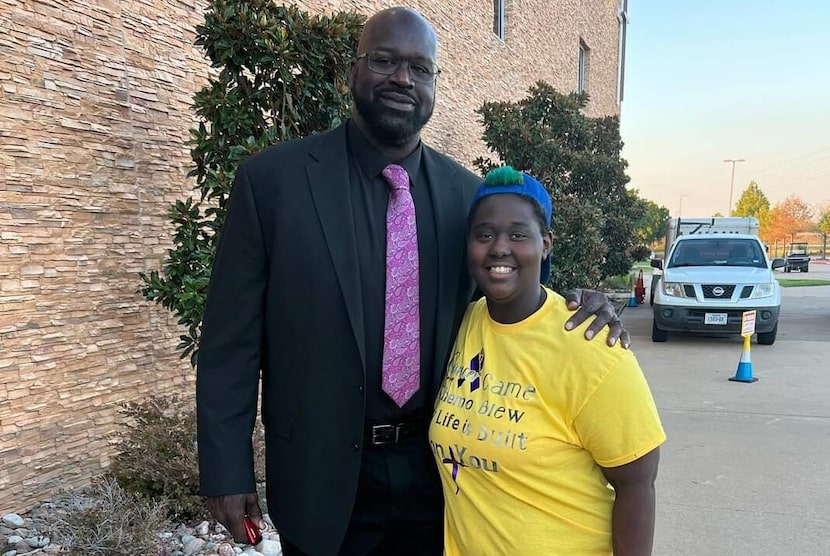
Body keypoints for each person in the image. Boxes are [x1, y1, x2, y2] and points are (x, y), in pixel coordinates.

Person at [196, 7, 629, 556]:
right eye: (385, 61)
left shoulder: (464, 198)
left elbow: (507, 294)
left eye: (420, 68)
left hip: (443, 476)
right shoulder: (272, 183)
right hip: (318, 474)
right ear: (353, 72)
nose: (403, 78)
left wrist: (578, 302)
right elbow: (228, 344)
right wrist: (226, 470)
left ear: (433, 85)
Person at [429, 166, 665, 556]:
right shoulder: (464, 324)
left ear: (546, 243)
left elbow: (638, 482)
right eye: (484, 234)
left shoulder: (589, 343)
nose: (499, 247)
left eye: (518, 234)